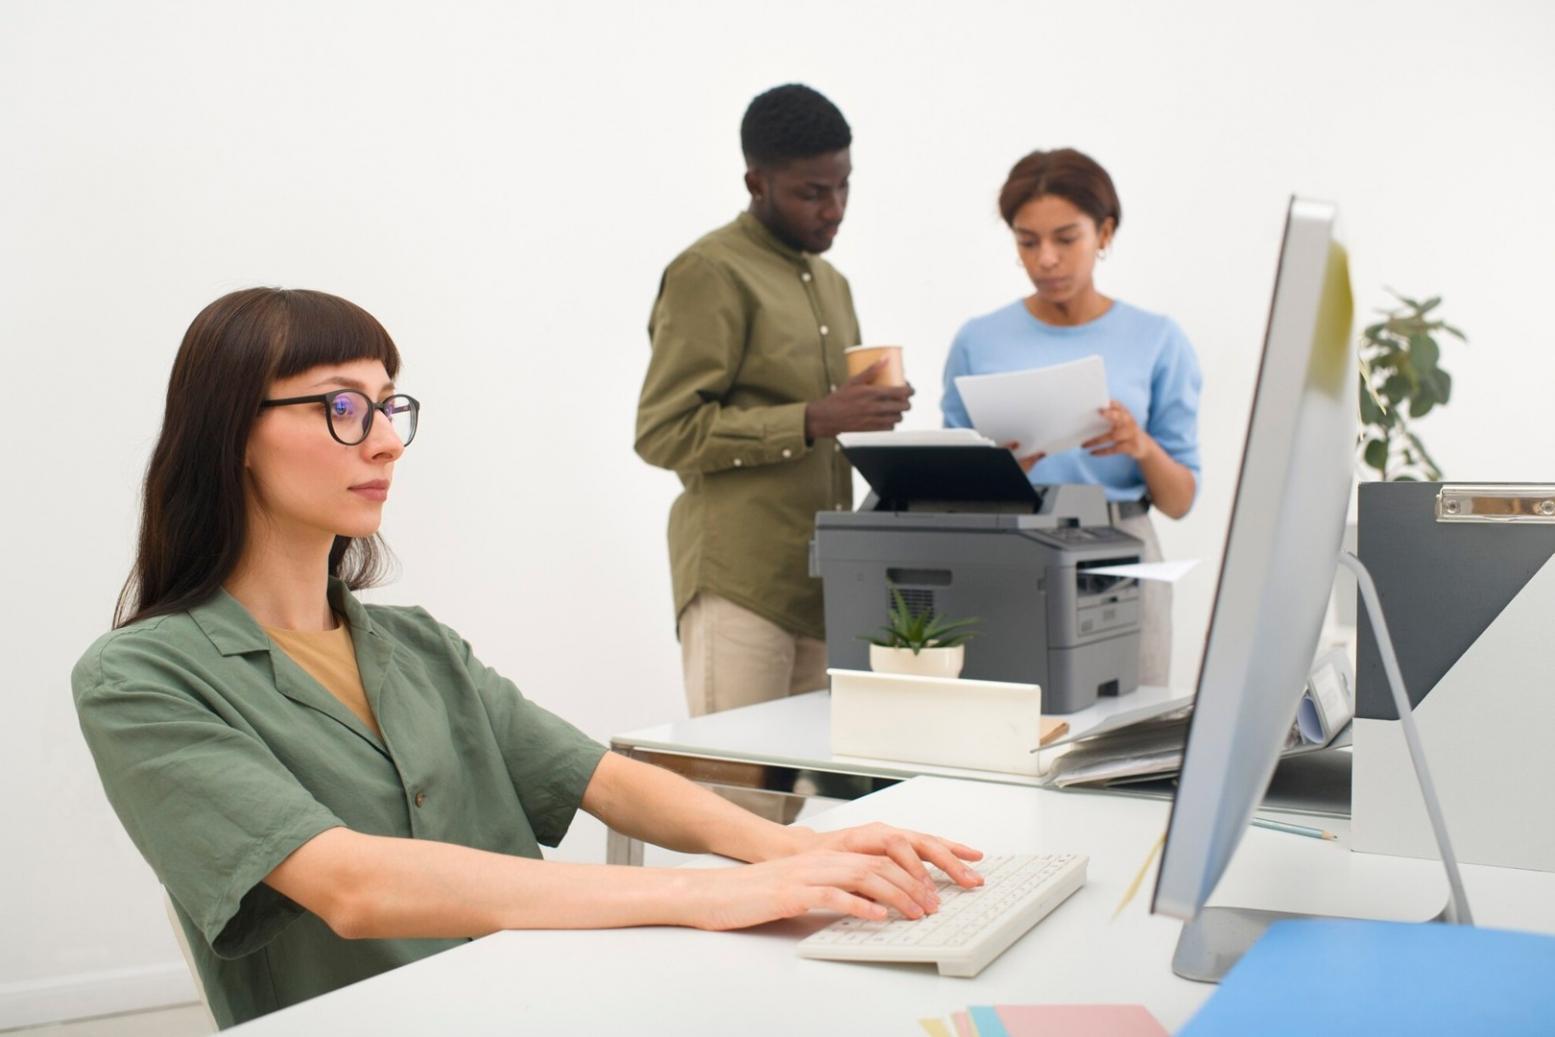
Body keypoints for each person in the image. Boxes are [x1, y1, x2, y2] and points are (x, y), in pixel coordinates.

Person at [72, 288, 980, 1028]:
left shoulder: (415, 642)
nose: (386, 438)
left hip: (546, 1000)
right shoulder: (140, 678)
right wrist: (695, 896)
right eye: (342, 408)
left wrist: (794, 848)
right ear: (230, 432)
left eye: (389, 406)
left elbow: (598, 775)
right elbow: (349, 884)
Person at [635, 83, 913, 719]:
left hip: (824, 588)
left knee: (792, 813)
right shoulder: (710, 271)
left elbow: (833, 427)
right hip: (740, 585)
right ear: (756, 183)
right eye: (812, 193)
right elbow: (663, 432)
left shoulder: (834, 284)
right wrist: (814, 418)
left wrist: (872, 416)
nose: (835, 208)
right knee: (737, 808)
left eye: (843, 186)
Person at [940, 149, 1203, 686]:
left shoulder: (1158, 339)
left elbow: (1180, 500)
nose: (1046, 260)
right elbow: (945, 490)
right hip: (1010, 542)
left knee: (1130, 722)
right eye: (1027, 241)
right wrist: (993, 466)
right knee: (1008, 715)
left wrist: (1142, 446)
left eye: (1066, 238)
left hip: (1122, 541)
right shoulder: (978, 340)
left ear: (1104, 233)